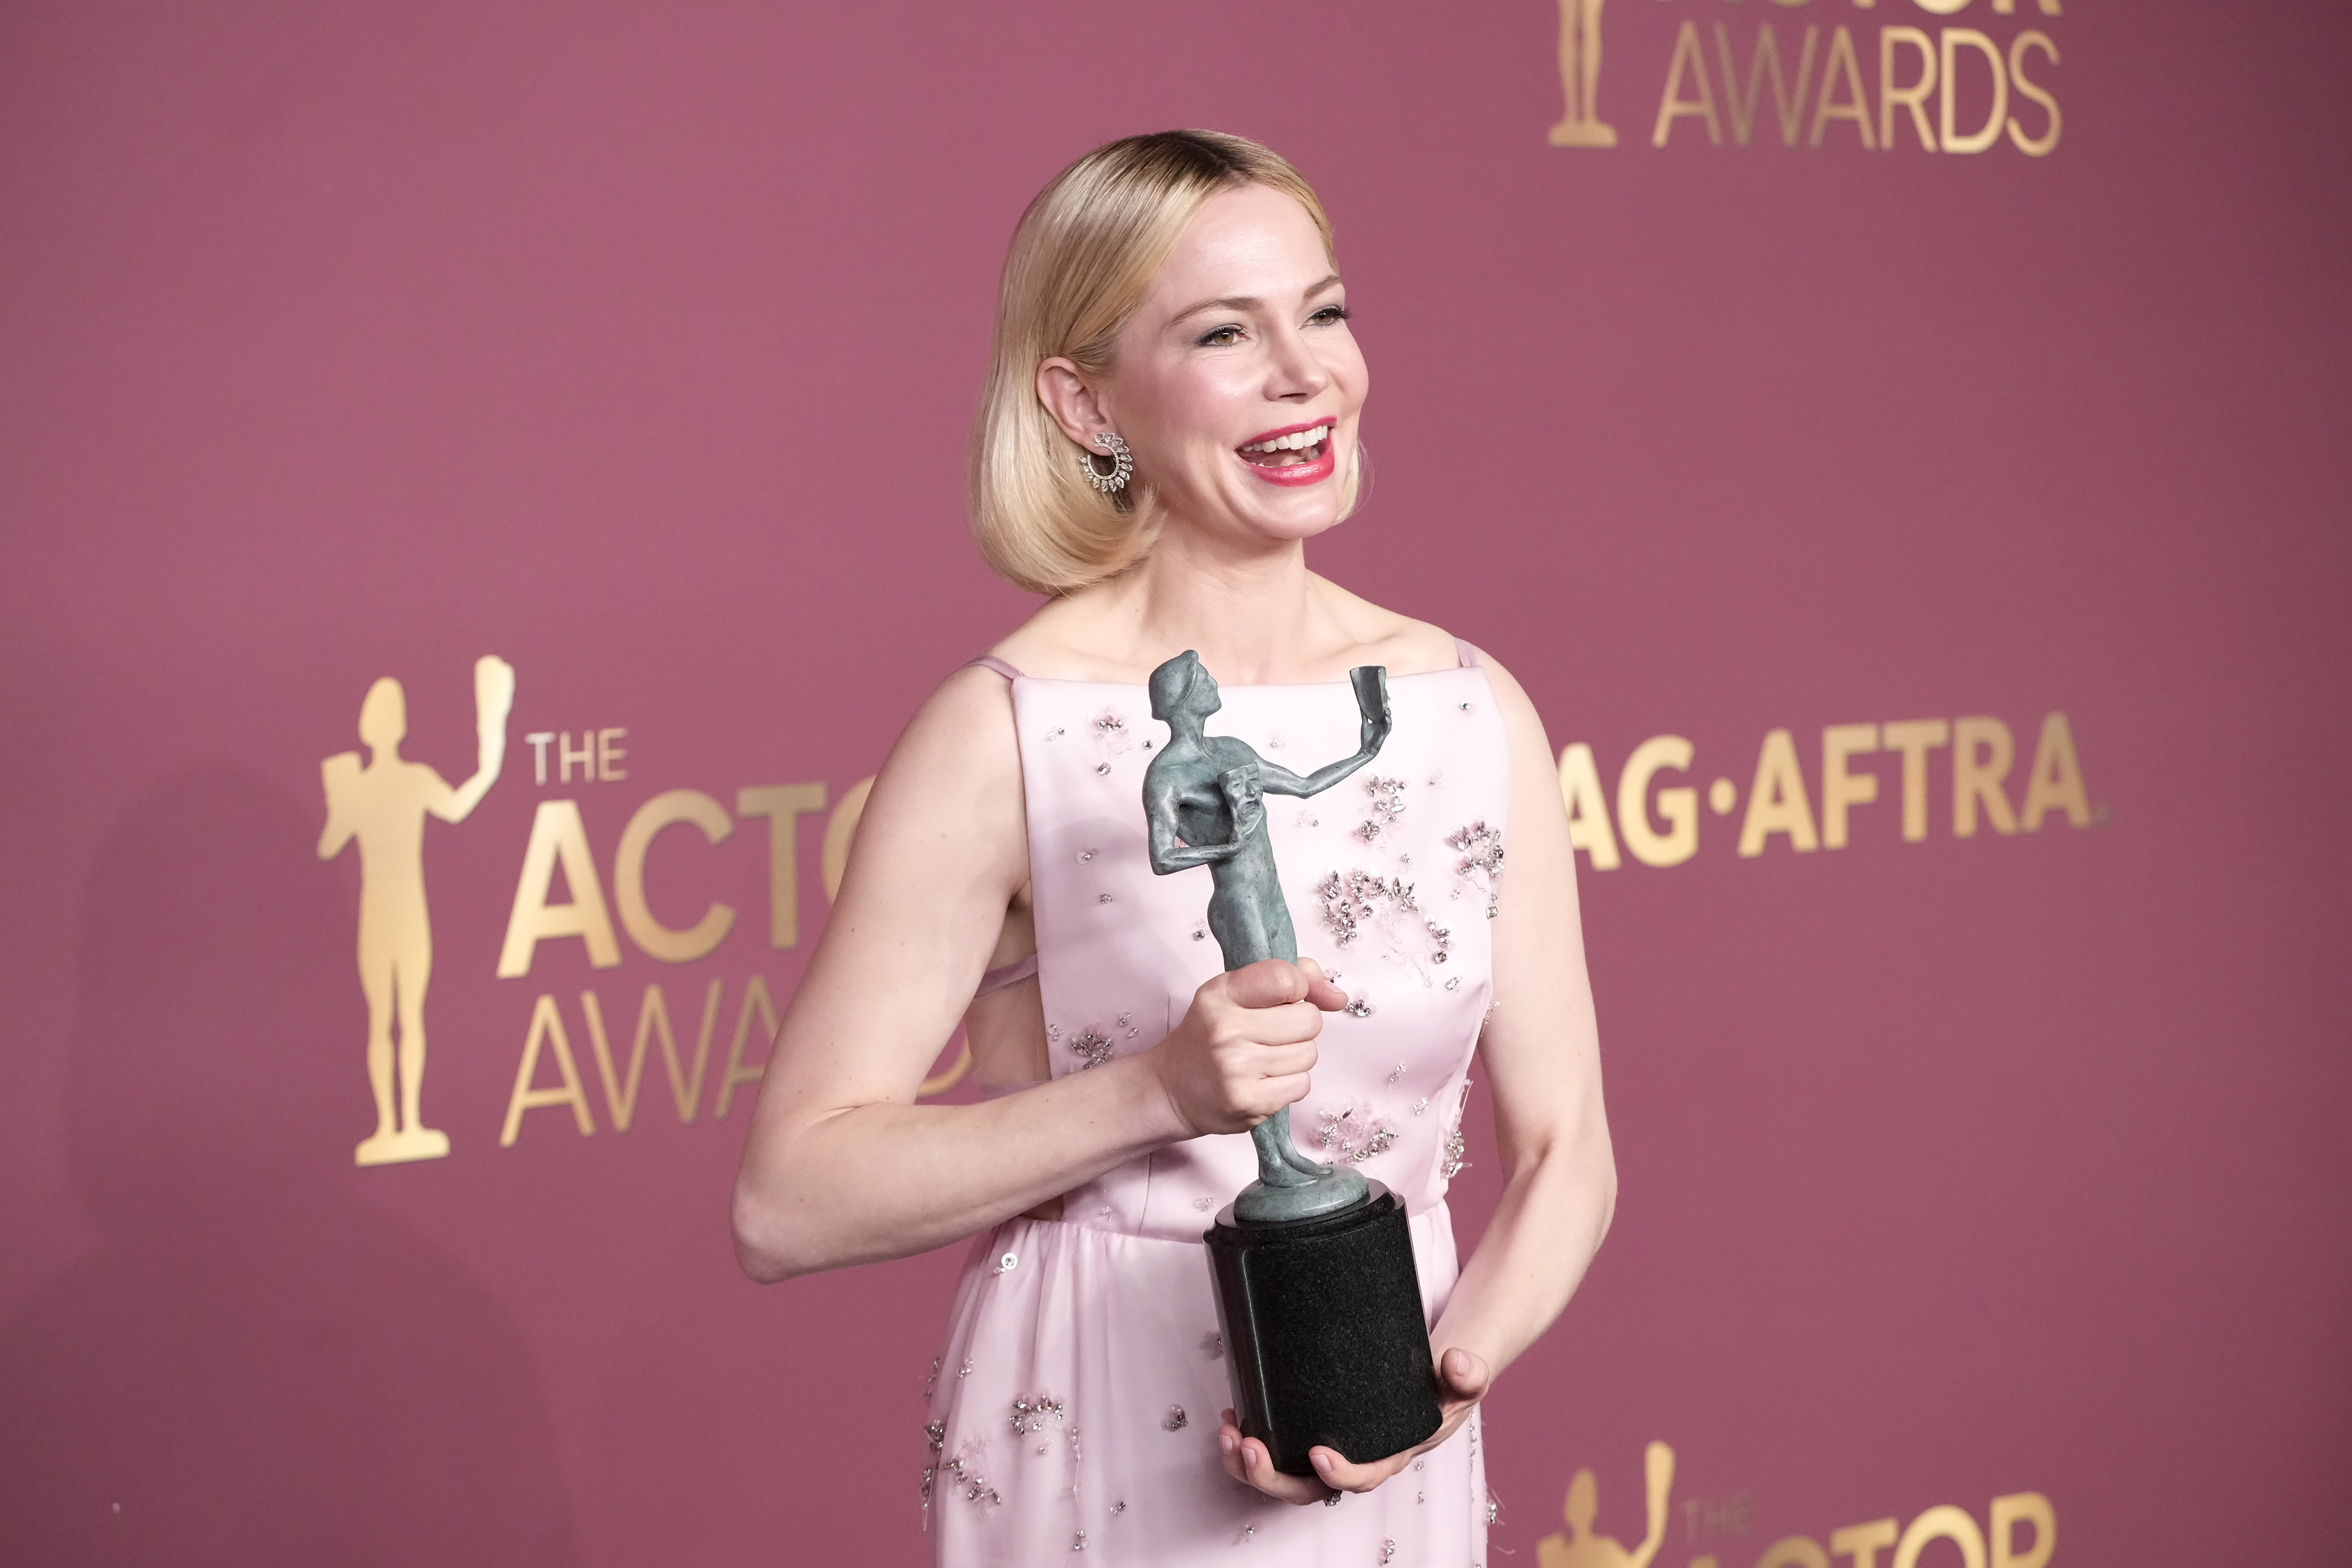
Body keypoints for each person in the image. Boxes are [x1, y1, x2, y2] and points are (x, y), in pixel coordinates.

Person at [732, 130, 1616, 1565]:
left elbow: (1571, 1150)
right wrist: (1156, 1091)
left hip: (1386, 1447)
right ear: (1086, 401)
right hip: (1090, 1437)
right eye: (1224, 333)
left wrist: (1432, 1385)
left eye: (1322, 313)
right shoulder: (1001, 733)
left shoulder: (1467, 707)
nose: (1304, 373)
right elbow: (789, 1202)